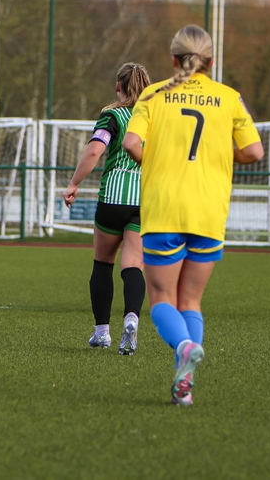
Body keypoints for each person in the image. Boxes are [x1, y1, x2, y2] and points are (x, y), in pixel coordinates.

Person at [122, 25, 263, 406]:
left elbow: (131, 142)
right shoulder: (229, 98)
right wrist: (222, 153)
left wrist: (154, 163)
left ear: (173, 59)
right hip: (209, 211)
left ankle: (183, 345)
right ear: (210, 62)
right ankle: (184, 385)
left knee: (162, 299)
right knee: (191, 302)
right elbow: (254, 152)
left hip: (165, 208)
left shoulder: (153, 94)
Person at [63, 63, 151, 355]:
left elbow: (94, 150)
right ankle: (132, 318)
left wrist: (74, 183)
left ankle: (102, 332)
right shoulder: (156, 117)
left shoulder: (112, 115)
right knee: (133, 264)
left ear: (118, 86)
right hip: (145, 198)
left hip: (113, 197)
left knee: (103, 263)